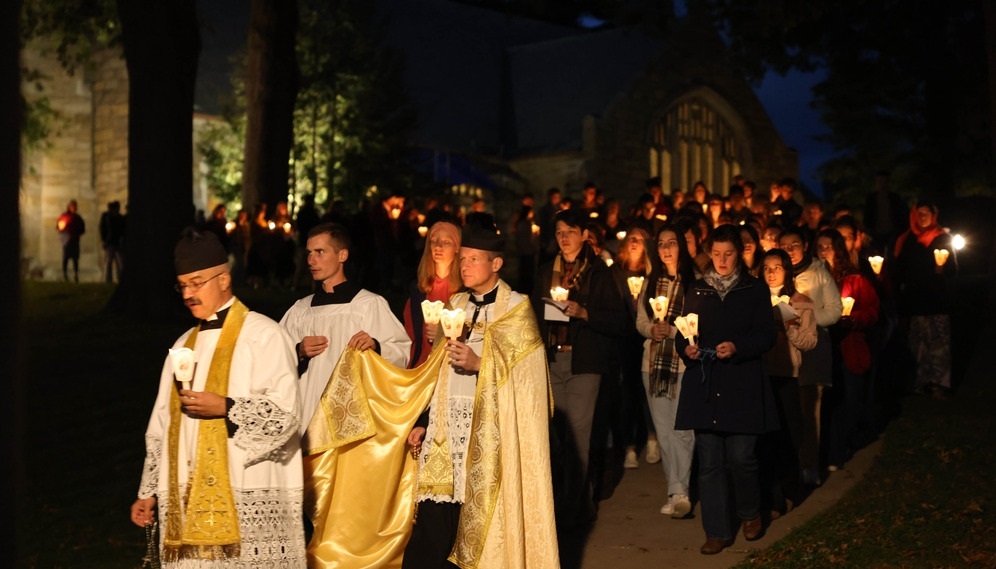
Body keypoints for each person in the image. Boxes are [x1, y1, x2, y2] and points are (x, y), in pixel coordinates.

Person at [129, 228, 306, 568]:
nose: (188, 294)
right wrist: (147, 491)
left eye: (197, 282)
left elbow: (286, 415)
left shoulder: (264, 334)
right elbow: (161, 424)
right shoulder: (182, 345)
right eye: (182, 285)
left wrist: (226, 407)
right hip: (185, 491)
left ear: (224, 279)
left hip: (246, 483)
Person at [404, 215, 560, 569]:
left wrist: (480, 363)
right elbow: (437, 373)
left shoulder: (516, 308)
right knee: (432, 530)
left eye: (474, 259)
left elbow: (532, 379)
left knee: (480, 526)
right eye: (463, 259)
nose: (465, 265)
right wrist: (424, 420)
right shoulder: (455, 305)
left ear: (496, 263)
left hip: (491, 435)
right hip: (446, 434)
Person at [674, 224, 778, 555]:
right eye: (716, 254)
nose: (721, 260)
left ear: (740, 253)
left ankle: (750, 513)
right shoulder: (698, 289)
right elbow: (683, 331)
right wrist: (685, 349)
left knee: (742, 456)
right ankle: (716, 530)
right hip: (706, 384)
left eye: (728, 253)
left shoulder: (755, 290)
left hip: (741, 384)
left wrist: (738, 347)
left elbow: (766, 336)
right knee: (710, 461)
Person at [532, 208, 628, 525]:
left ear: (584, 235)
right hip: (553, 357)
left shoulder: (598, 272)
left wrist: (584, 313)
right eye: (559, 232)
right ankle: (568, 500)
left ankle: (572, 510)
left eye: (570, 232)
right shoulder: (547, 271)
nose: (563, 238)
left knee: (578, 435)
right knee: (557, 436)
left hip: (584, 361)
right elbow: (533, 313)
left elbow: (616, 319)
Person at [280, 222, 411, 435]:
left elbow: (401, 352)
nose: (311, 260)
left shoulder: (368, 305)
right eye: (309, 253)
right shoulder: (300, 310)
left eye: (320, 252)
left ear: (342, 255)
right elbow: (273, 359)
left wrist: (376, 347)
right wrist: (298, 351)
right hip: (306, 412)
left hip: (351, 416)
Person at [635, 224, 697, 518]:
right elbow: (639, 321)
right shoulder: (651, 282)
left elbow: (699, 323)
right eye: (661, 244)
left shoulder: (693, 281)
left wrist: (673, 331)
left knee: (683, 429)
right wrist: (652, 329)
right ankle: (675, 490)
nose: (667, 248)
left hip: (684, 363)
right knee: (664, 430)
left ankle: (681, 490)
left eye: (672, 242)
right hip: (654, 365)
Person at [779, 226, 842, 487]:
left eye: (794, 245)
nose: (790, 251)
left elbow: (835, 309)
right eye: (784, 246)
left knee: (809, 411)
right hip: (782, 352)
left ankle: (809, 465)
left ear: (804, 245)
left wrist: (809, 321)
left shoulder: (818, 273)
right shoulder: (775, 273)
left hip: (812, 350)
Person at [815, 229, 880, 471]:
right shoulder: (814, 280)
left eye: (828, 246)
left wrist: (853, 319)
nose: (823, 251)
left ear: (838, 250)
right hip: (823, 347)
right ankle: (832, 452)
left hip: (849, 346)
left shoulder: (855, 280)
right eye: (819, 247)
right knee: (829, 402)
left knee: (850, 398)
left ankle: (844, 443)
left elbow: (873, 311)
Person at [759, 248, 817, 516]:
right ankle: (769, 496)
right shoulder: (755, 300)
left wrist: (789, 326)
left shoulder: (801, 302)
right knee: (764, 439)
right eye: (767, 268)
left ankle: (789, 491)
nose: (771, 273)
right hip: (760, 375)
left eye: (777, 267)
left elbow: (809, 341)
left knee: (788, 437)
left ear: (787, 271)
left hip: (788, 375)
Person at [893, 200, 956, 398]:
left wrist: (942, 269)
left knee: (938, 343)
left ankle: (938, 383)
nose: (922, 217)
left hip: (936, 299)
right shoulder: (907, 239)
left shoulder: (942, 238)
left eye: (926, 213)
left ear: (933, 215)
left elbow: (953, 269)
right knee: (917, 343)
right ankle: (918, 381)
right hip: (915, 300)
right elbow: (899, 268)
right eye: (919, 213)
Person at [402, 219, 463, 368]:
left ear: (457, 247)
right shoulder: (419, 291)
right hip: (422, 365)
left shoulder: (464, 292)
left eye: (446, 242)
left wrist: (444, 334)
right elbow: (409, 335)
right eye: (434, 241)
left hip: (451, 367)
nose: (438, 246)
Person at [56, 199, 86, 282]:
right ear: (69, 207)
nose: (74, 208)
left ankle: (76, 274)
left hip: (75, 239)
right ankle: (65, 274)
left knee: (75, 258)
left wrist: (78, 233)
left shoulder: (78, 217)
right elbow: (58, 227)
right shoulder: (64, 216)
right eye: (72, 206)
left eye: (75, 206)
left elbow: (82, 228)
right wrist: (62, 228)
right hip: (67, 240)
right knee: (66, 257)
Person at [98, 200, 125, 283]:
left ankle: (120, 278)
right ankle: (108, 279)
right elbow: (102, 228)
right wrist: (103, 240)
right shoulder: (106, 216)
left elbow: (121, 230)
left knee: (119, 262)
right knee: (109, 261)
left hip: (116, 241)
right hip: (110, 242)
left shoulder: (119, 217)